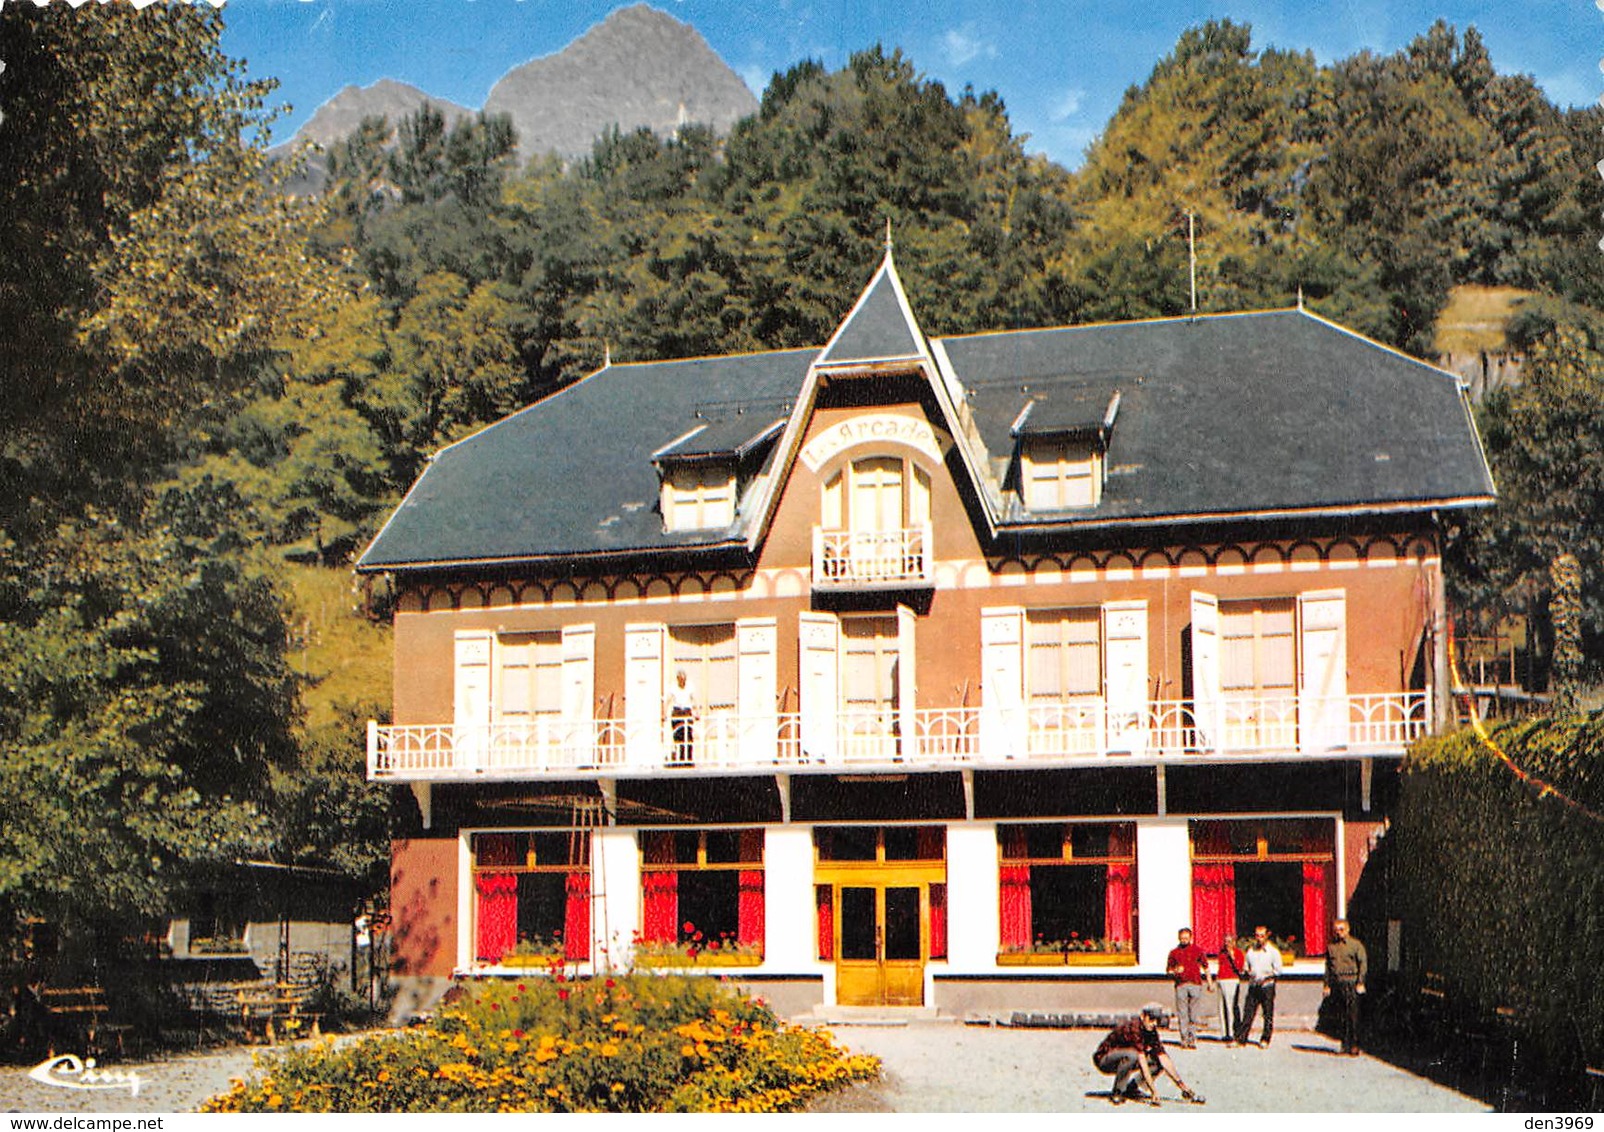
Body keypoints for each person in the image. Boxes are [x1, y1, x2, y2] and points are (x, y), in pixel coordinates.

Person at [1092, 1002, 1205, 1106]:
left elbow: (1164, 1058)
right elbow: (1142, 1062)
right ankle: (1118, 1092)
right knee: (1132, 1055)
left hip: (1126, 1058)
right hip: (1104, 1059)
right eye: (1151, 1019)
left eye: (1157, 1020)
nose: (1154, 1023)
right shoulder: (1134, 1028)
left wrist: (1183, 1087)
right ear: (1143, 1017)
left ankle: (1132, 1088)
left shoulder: (1151, 1031)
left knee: (1157, 1061)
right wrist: (1153, 1091)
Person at [1324, 918, 1368, 1055]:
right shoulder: (1331, 947)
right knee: (1341, 1015)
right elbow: (1328, 968)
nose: (1339, 933)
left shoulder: (1355, 945)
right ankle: (1344, 1043)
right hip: (1338, 983)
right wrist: (1327, 985)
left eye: (1341, 930)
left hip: (1351, 982)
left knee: (1353, 1015)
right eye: (1336, 930)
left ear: (1347, 930)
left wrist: (1360, 982)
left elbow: (1363, 964)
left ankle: (1355, 1044)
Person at [1235, 924, 1283, 1047]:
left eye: (1262, 936)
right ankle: (1242, 1039)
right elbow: (1246, 966)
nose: (1259, 938)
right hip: (1253, 985)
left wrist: (1266, 977)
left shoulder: (1273, 952)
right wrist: (1247, 972)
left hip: (1267, 986)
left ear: (1267, 936)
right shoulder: (1251, 951)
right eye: (1257, 936)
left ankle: (1265, 1039)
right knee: (1248, 1012)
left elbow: (1278, 971)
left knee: (1267, 1014)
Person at [1165, 927, 1211, 1048]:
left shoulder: (1198, 950)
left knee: (1194, 1013)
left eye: (1186, 938)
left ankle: (1192, 1038)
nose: (1184, 940)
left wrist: (1210, 982)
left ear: (1191, 938)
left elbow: (1206, 966)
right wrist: (1175, 970)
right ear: (1179, 938)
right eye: (1182, 938)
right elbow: (1168, 970)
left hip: (1195, 984)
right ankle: (1184, 1039)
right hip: (1181, 985)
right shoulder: (1174, 952)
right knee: (1182, 1013)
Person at [1215, 935, 1247, 1042]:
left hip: (1232, 980)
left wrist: (1232, 956)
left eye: (1229, 941)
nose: (1227, 944)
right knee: (1221, 1007)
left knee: (1230, 1007)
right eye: (1225, 942)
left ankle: (1232, 1032)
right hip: (1221, 979)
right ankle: (1224, 1033)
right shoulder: (1221, 953)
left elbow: (1240, 968)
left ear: (1234, 942)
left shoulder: (1238, 953)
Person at [668, 668, 696, 764]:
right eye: (680, 680)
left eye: (683, 680)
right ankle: (679, 758)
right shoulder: (673, 687)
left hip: (687, 711)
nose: (682, 682)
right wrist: (664, 713)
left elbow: (693, 699)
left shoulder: (689, 686)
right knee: (678, 736)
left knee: (688, 735)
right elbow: (669, 700)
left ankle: (688, 759)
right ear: (677, 679)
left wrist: (696, 712)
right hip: (677, 711)